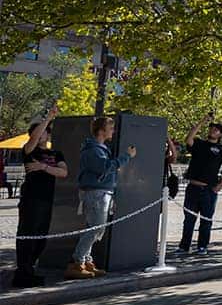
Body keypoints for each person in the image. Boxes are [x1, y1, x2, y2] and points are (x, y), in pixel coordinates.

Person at [70, 116, 137, 279]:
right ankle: (78, 262)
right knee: (96, 228)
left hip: (101, 192)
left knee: (94, 228)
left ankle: (86, 261)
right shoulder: (94, 149)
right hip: (96, 193)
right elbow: (104, 167)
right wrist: (126, 157)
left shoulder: (99, 148)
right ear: (101, 131)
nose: (113, 131)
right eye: (110, 128)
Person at [13, 108, 67, 288]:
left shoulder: (56, 154)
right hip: (31, 199)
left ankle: (30, 269)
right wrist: (49, 118)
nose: (42, 135)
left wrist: (43, 168)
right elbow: (33, 139)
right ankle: (23, 273)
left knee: (41, 238)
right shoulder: (29, 151)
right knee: (27, 235)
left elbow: (63, 172)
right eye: (39, 132)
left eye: (45, 132)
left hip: (47, 199)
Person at [178, 112, 222, 256]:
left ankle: (202, 246)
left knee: (206, 220)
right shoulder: (199, 143)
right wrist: (203, 121)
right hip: (193, 187)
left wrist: (221, 184)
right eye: (211, 128)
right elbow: (188, 139)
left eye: (216, 129)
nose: (213, 130)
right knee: (189, 219)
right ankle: (184, 246)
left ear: (220, 134)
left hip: (209, 190)